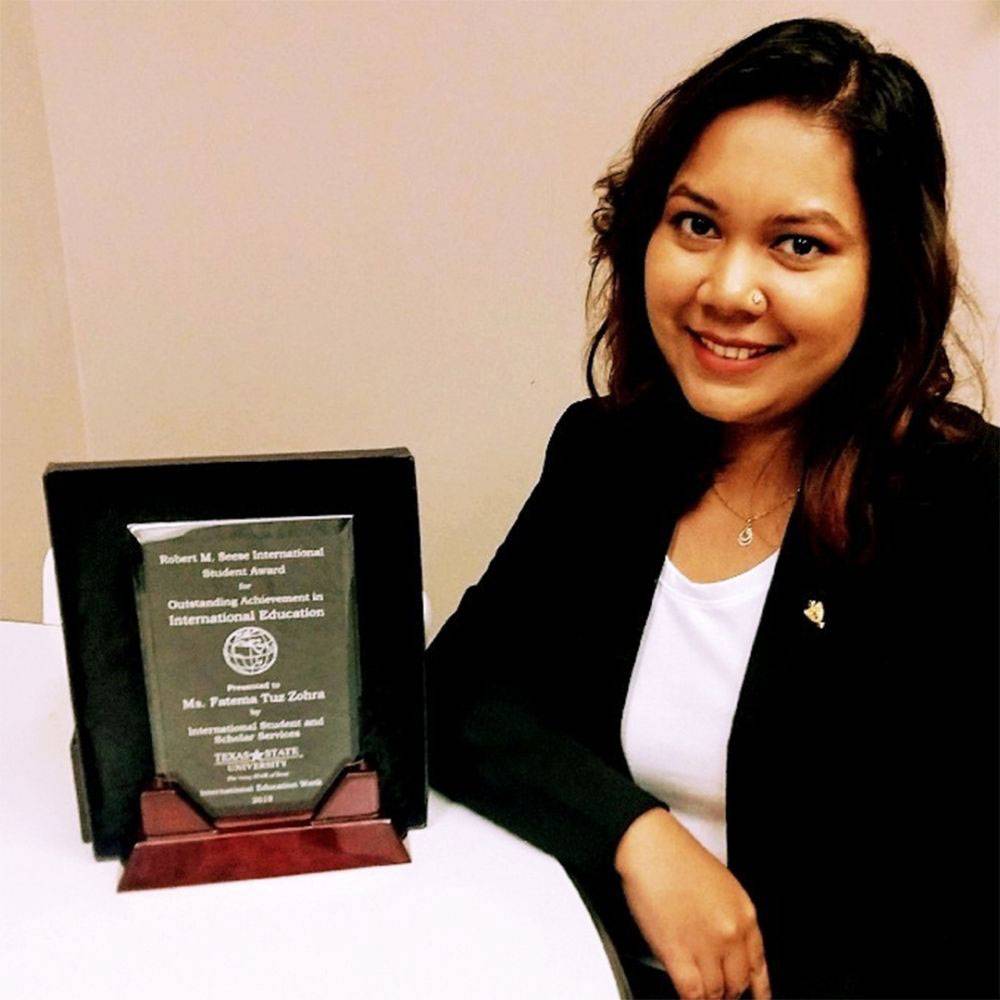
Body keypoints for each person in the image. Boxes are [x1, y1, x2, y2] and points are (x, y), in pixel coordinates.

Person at [426, 18, 998, 1000]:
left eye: (799, 244)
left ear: (887, 273)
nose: (727, 289)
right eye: (696, 223)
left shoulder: (962, 506)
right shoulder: (607, 454)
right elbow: (456, 698)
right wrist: (635, 834)